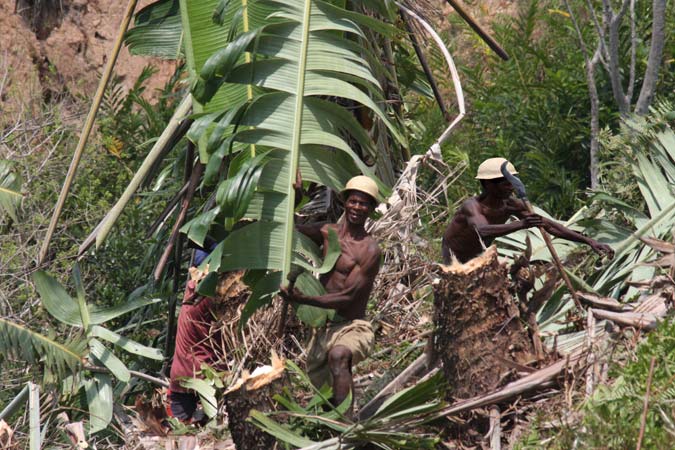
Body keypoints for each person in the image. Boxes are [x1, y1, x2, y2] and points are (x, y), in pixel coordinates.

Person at [280, 175, 381, 411]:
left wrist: (304, 300)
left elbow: (348, 297)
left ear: (371, 209)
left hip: (352, 325)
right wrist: (295, 197)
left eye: (364, 204)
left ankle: (347, 430)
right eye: (354, 201)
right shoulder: (327, 232)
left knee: (339, 356)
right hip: (322, 328)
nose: (357, 208)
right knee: (326, 395)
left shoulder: (369, 250)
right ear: (345, 201)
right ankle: (334, 427)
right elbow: (289, 232)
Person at [441, 157, 614, 264]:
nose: (511, 188)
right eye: (506, 184)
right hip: (454, 259)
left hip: (479, 258)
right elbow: (482, 231)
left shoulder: (511, 205)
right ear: (487, 184)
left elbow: (549, 226)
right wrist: (522, 224)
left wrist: (589, 241)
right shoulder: (472, 206)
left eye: (512, 182)